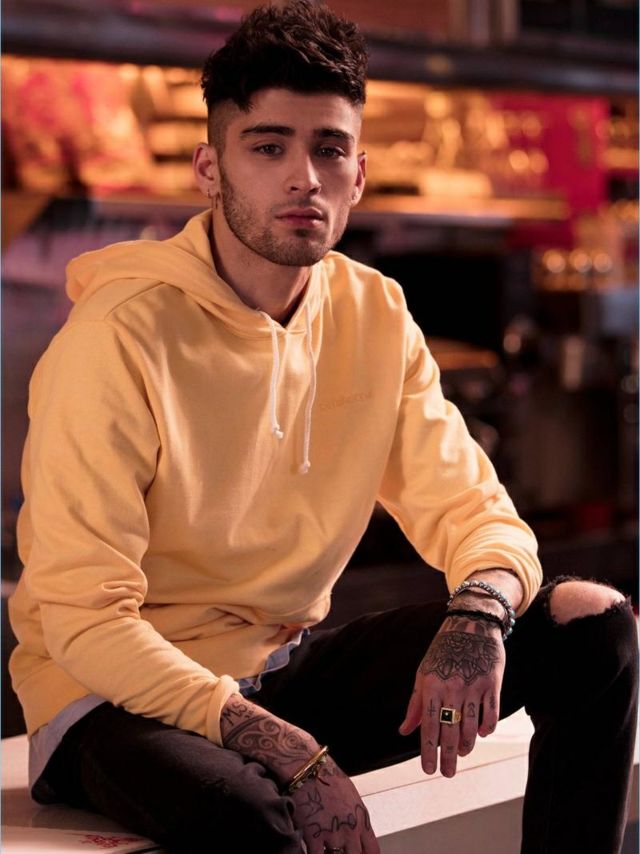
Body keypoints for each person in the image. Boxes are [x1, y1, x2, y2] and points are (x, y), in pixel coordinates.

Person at [9, 2, 637, 852]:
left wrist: (480, 613)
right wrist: (288, 753)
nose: (304, 177)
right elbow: (84, 619)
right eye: (268, 147)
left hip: (276, 672)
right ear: (210, 168)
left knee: (593, 626)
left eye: (329, 149)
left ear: (359, 174)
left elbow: (475, 512)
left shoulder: (374, 314)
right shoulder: (117, 335)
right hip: (109, 696)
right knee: (255, 815)